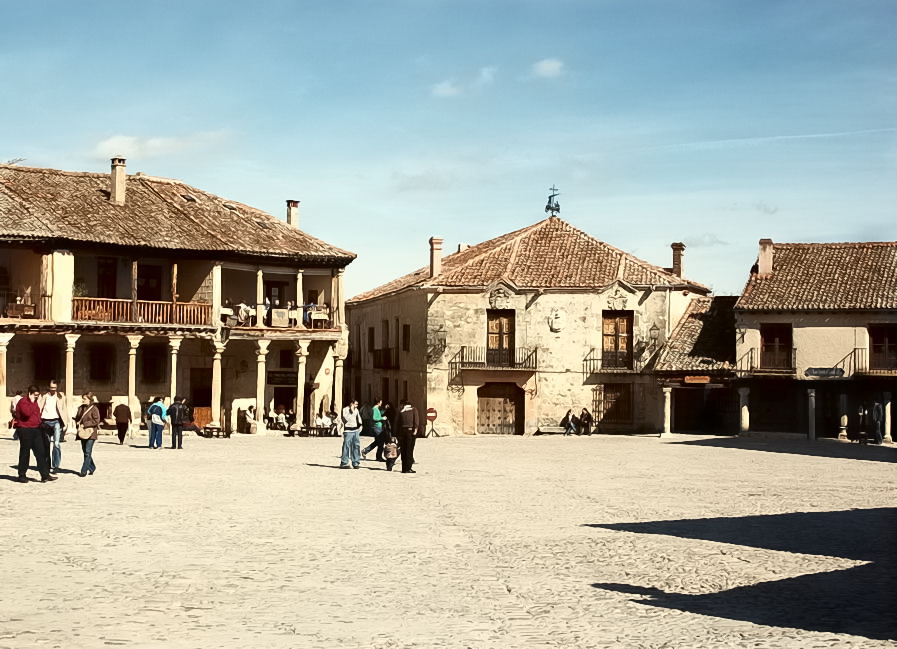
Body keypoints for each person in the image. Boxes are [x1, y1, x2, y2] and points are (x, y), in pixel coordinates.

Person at [14, 386, 55, 483]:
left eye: (38, 395)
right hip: (24, 430)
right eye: (35, 395)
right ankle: (22, 475)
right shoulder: (23, 402)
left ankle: (44, 475)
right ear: (30, 393)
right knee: (25, 452)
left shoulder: (35, 402)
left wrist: (41, 424)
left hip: (36, 429)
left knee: (40, 452)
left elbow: (37, 415)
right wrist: (32, 402)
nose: (37, 397)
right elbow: (26, 413)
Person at [39, 379, 67, 473]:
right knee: (46, 445)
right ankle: (47, 464)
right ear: (48, 387)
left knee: (56, 444)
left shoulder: (60, 396)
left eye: (55, 388)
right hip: (45, 422)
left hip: (56, 421)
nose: (53, 389)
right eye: (51, 388)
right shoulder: (44, 396)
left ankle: (56, 466)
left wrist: (66, 423)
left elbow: (64, 409)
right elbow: (39, 408)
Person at [74, 392, 100, 477]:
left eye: (85, 399)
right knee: (85, 451)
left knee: (87, 452)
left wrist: (85, 424)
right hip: (82, 433)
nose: (83, 400)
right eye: (83, 398)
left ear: (90, 399)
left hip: (91, 433)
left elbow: (96, 421)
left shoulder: (94, 409)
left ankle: (83, 471)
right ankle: (92, 467)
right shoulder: (80, 408)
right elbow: (78, 418)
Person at [396, 399, 420, 474]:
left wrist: (395, 433)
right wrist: (415, 430)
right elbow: (416, 421)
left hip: (401, 432)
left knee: (403, 450)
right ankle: (408, 467)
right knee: (409, 450)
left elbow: (396, 422)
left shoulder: (400, 411)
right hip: (410, 431)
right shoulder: (413, 410)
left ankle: (404, 468)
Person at [339, 399, 363, 469]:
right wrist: (350, 412)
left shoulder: (356, 410)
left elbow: (359, 419)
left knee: (356, 446)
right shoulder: (345, 410)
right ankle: (344, 462)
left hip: (355, 430)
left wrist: (360, 425)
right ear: (351, 404)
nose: (356, 406)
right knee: (346, 446)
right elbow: (345, 420)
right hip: (348, 430)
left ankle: (355, 462)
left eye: (357, 404)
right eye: (355, 404)